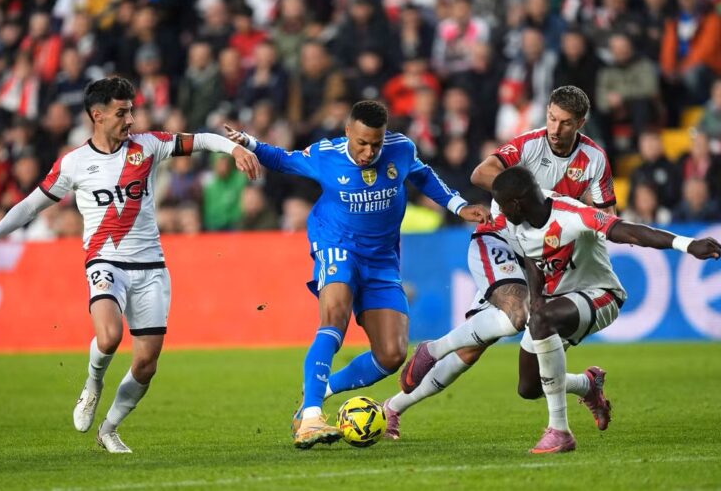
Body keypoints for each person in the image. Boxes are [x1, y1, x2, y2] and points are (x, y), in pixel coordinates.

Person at [0, 77, 261, 453]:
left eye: (131, 111)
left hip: (151, 267)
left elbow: (200, 140)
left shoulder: (148, 146)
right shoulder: (74, 163)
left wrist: (234, 148)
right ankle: (93, 383)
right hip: (105, 261)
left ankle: (109, 429)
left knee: (146, 363)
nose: (130, 119)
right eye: (121, 112)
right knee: (110, 337)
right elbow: (31, 205)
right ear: (97, 116)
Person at [224, 100, 491, 449]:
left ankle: (319, 389)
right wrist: (249, 142)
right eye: (362, 143)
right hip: (336, 245)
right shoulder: (326, 154)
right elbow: (283, 159)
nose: (369, 152)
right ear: (348, 131)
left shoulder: (400, 149)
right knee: (334, 318)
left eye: (375, 144)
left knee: (391, 355)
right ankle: (311, 417)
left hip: (382, 259)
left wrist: (458, 205)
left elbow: (422, 175)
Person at [385, 85, 616, 440]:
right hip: (501, 240)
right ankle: (426, 359)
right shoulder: (529, 145)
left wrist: (574, 228)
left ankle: (586, 385)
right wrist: (534, 198)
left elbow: (606, 216)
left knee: (517, 370)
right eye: (552, 118)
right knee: (516, 316)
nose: (555, 129)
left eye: (566, 123)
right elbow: (481, 173)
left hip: (545, 256)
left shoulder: (594, 159)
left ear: (581, 123)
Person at [491, 166, 718, 452]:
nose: (499, 211)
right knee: (529, 387)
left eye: (503, 205)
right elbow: (531, 255)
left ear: (516, 203)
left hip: (601, 295)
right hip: (555, 305)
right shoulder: (516, 219)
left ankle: (559, 431)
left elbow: (630, 232)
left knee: (543, 321)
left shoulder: (572, 215)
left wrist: (687, 243)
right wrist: (536, 299)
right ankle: (588, 385)